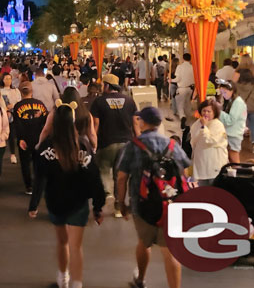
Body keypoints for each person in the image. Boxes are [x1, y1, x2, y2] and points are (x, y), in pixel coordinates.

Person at [29, 102, 105, 288]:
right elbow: (94, 178)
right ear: (73, 122)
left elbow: (39, 179)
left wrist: (34, 204)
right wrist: (98, 206)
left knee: (62, 242)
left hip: (55, 202)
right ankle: (76, 284)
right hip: (78, 203)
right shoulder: (83, 145)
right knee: (76, 246)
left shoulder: (45, 148)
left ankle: (63, 278)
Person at [117, 107, 189, 288]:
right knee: (169, 251)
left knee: (144, 242)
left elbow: (121, 177)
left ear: (143, 122)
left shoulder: (133, 145)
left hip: (142, 204)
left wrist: (121, 203)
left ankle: (140, 279)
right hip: (170, 203)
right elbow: (184, 173)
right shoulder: (172, 145)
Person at [89, 74, 138, 217]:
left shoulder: (99, 101)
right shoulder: (129, 101)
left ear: (107, 86)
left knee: (103, 169)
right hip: (126, 144)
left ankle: (107, 193)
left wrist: (94, 142)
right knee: (120, 176)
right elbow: (135, 123)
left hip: (106, 143)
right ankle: (118, 208)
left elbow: (96, 124)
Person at [12, 81, 48, 195]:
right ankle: (39, 183)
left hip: (25, 139)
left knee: (25, 163)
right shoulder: (40, 104)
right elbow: (46, 122)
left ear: (20, 92)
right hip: (39, 138)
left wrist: (20, 138)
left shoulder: (18, 106)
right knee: (39, 162)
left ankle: (29, 186)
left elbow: (17, 124)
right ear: (32, 91)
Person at [189, 100, 228, 186]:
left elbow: (209, 141)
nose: (206, 113)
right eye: (204, 110)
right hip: (201, 163)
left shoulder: (218, 125)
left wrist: (204, 127)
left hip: (214, 163)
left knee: (214, 189)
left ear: (214, 113)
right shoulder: (197, 124)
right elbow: (193, 141)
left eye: (209, 111)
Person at [217, 80, 247, 163]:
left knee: (234, 157)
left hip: (234, 133)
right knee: (231, 157)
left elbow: (231, 120)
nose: (223, 95)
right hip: (232, 132)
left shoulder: (238, 102)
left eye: (225, 92)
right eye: (222, 92)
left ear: (232, 90)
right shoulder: (233, 101)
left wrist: (219, 111)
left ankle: (237, 174)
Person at [0, 73, 22, 165]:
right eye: (6, 79)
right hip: (2, 115)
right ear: (3, 80)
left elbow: (19, 101)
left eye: (9, 79)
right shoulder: (0, 91)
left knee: (12, 135)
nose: (8, 80)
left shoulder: (16, 90)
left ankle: (13, 154)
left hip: (14, 115)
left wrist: (12, 106)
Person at [236, 68, 254, 154]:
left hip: (241, 108)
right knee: (253, 126)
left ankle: (237, 145)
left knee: (239, 125)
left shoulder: (237, 86)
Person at [172, 53, 194, 128]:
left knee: (180, 105)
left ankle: (182, 117)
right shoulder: (192, 67)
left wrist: (171, 80)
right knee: (188, 104)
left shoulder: (180, 67)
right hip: (190, 88)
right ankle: (188, 121)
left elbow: (178, 78)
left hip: (181, 89)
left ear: (183, 58)